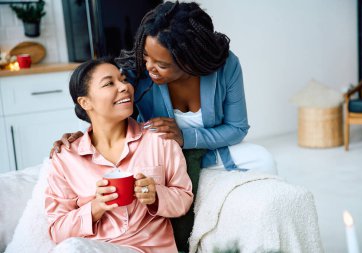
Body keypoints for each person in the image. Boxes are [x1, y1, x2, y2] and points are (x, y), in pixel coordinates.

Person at [51, 1, 277, 251]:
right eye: (146, 56)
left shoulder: (224, 67)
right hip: (159, 154)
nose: (149, 68)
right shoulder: (136, 71)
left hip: (200, 149)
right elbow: (100, 99)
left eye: (162, 64)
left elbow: (236, 128)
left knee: (263, 160)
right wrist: (81, 137)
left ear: (190, 60)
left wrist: (185, 137)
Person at [45, 57, 193, 253]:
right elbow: (57, 229)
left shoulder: (160, 140)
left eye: (123, 79)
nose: (124, 87)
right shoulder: (66, 158)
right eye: (109, 83)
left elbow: (184, 198)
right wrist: (96, 207)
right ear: (85, 102)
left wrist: (156, 194)